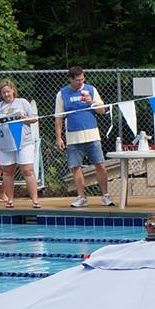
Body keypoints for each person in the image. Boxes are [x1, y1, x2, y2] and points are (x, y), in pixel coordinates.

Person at [56, 65, 112, 208]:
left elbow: (102, 110)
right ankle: (82, 197)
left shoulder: (91, 90)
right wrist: (59, 137)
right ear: (71, 79)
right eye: (78, 80)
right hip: (73, 136)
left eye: (82, 79)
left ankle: (105, 196)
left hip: (92, 134)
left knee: (100, 164)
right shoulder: (62, 94)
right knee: (75, 167)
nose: (81, 82)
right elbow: (58, 117)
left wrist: (90, 102)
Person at [0, 78, 40, 208]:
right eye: (3, 92)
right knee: (8, 172)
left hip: (24, 142)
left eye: (8, 92)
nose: (6, 95)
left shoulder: (22, 103)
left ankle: (35, 200)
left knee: (27, 170)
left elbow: (34, 119)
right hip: (4, 144)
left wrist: (24, 118)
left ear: (13, 91)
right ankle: (10, 199)